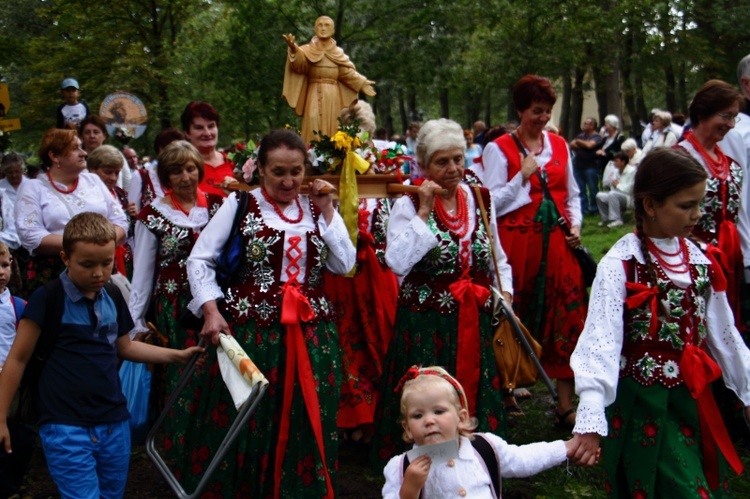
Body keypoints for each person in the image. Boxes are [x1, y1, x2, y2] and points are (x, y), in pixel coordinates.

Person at [185, 129, 355, 497]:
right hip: (252, 332)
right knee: (251, 416)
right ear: (260, 169)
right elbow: (200, 260)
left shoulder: (317, 207)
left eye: (296, 171)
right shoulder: (240, 204)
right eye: (278, 171)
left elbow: (344, 264)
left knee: (304, 419)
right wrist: (211, 312)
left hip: (312, 336)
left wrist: (328, 211)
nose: (289, 180)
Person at [570, 148, 750, 496]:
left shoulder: (699, 261)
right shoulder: (621, 264)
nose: (697, 215)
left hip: (693, 401)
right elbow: (600, 343)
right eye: (686, 206)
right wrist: (591, 417)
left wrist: (746, 392)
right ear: (650, 205)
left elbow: (725, 336)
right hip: (643, 405)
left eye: (699, 204)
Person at [0, 212, 204, 499]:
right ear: (65, 258)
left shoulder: (112, 295)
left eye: (106, 263)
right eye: (87, 264)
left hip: (113, 422)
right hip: (64, 425)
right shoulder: (48, 299)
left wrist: (177, 355)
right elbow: (18, 359)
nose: (98, 273)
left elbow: (125, 347)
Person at [371, 118, 513, 467]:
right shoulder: (407, 203)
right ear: (423, 165)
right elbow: (397, 262)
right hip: (425, 323)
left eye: (458, 159)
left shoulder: (478, 199)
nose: (453, 169)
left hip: (473, 317)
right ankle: (427, 459)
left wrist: (505, 293)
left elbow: (496, 252)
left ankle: (474, 454)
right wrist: (422, 211)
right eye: (442, 161)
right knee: (429, 395)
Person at [476, 75, 587, 431]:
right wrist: (520, 177)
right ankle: (506, 389)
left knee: (567, 315)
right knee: (512, 316)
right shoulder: (499, 149)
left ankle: (564, 403)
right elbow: (489, 206)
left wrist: (576, 227)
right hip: (516, 243)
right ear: (521, 110)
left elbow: (572, 194)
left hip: (556, 243)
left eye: (547, 111)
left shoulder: (560, 145)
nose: (542, 118)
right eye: (536, 111)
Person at [383, 366, 589, 498]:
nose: (429, 420)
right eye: (418, 416)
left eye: (439, 411)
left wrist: (565, 448)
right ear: (407, 428)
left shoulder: (484, 447)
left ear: (461, 417)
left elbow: (523, 459)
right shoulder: (401, 468)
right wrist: (410, 490)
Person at [14, 129, 128, 299]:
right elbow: (30, 234)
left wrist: (99, 246)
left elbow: (120, 221)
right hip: (55, 276)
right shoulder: (32, 188)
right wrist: (82, 246)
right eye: (75, 148)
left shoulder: (93, 181)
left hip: (100, 273)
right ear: (54, 156)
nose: (83, 153)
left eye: (82, 147)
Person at [677, 79, 750, 330]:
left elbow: (739, 213)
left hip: (730, 261)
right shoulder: (679, 158)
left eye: (734, 118)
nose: (730, 125)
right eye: (725, 116)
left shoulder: (729, 161)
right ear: (702, 112)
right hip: (692, 263)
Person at [282, 16, 376, 145]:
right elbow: (300, 65)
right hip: (313, 92)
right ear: (315, 29)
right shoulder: (308, 50)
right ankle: (310, 155)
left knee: (333, 125)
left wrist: (362, 82)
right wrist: (293, 49)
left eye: (327, 25)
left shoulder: (337, 53)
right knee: (312, 120)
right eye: (320, 25)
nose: (323, 28)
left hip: (332, 95)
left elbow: (345, 73)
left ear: (332, 30)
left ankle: (332, 156)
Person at [0, 242, 33, 499]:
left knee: (16, 432)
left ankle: (13, 482)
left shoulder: (19, 305)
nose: (1, 272)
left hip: (13, 380)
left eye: (4, 265)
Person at [86, 145, 137, 279]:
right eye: (108, 172)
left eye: (117, 173)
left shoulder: (122, 194)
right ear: (92, 170)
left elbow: (132, 231)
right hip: (99, 258)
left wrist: (134, 216)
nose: (113, 178)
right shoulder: (86, 196)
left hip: (124, 258)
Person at [180, 102, 234, 197]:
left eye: (211, 126)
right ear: (187, 133)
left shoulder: (234, 163)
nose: (207, 133)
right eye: (199, 128)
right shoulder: (182, 168)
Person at [128, 127, 183, 212]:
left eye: (176, 151)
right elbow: (131, 213)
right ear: (158, 151)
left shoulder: (186, 178)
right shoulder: (140, 176)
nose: (171, 155)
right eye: (166, 150)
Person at [78, 115, 132, 193]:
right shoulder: (77, 159)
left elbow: (128, 183)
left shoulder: (117, 154)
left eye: (96, 132)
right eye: (87, 132)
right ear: (81, 137)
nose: (92, 136)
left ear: (104, 135)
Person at [570, 117, 603, 215]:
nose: (584, 125)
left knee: (593, 189)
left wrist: (579, 142)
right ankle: (583, 209)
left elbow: (590, 145)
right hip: (578, 166)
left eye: (586, 124)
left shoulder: (596, 136)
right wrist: (582, 143)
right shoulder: (581, 135)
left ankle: (594, 209)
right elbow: (571, 145)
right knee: (580, 189)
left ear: (592, 126)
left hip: (591, 166)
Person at [596, 151, 635, 228]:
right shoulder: (616, 171)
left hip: (629, 198)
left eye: (616, 161)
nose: (614, 163)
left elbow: (631, 189)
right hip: (616, 195)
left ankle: (617, 220)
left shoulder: (632, 171)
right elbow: (613, 187)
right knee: (599, 195)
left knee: (612, 194)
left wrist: (618, 185)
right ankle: (606, 219)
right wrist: (613, 185)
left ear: (623, 162)